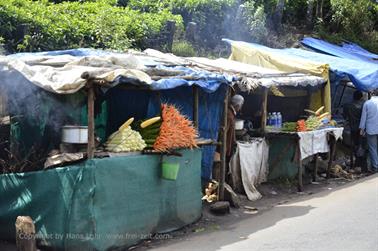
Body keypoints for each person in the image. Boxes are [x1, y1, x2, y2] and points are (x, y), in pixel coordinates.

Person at [343, 90, 366, 170]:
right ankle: (360, 164)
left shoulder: (347, 105)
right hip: (362, 128)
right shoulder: (364, 105)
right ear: (361, 97)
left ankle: (355, 163)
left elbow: (344, 117)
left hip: (352, 128)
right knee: (362, 145)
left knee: (354, 145)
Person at [359, 90, 378, 172]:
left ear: (372, 94)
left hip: (371, 129)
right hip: (372, 129)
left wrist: (362, 129)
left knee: (372, 148)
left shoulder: (367, 103)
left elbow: (363, 117)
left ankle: (375, 166)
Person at [225, 94, 244, 161]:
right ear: (237, 105)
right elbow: (224, 132)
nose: (240, 108)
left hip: (227, 146)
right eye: (241, 105)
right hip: (225, 147)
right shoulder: (229, 114)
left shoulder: (231, 113)